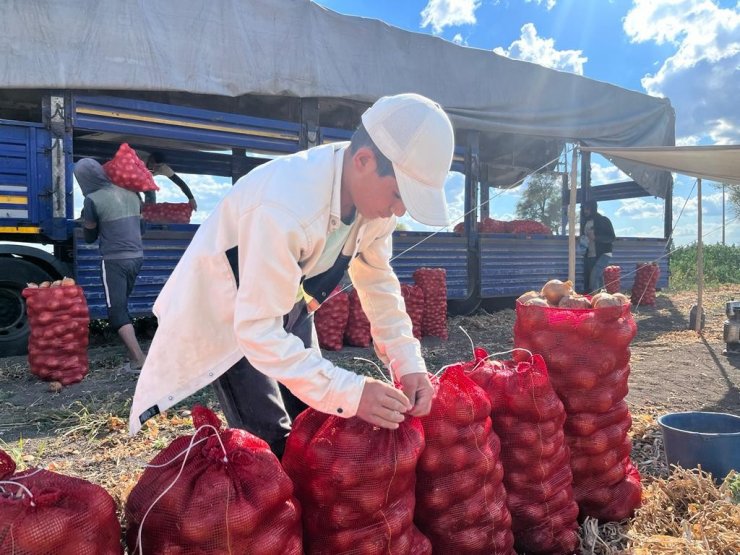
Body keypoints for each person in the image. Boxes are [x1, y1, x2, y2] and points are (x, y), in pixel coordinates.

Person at [128, 93, 454, 457]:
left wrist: (408, 364)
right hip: (231, 311)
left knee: (313, 418)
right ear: (363, 160)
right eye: (398, 194)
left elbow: (378, 281)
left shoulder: (374, 209)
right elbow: (256, 329)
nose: (399, 209)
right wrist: (352, 392)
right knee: (269, 434)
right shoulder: (284, 205)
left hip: (291, 298)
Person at [74, 158, 147, 371]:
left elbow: (89, 236)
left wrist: (86, 221)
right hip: (137, 257)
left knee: (116, 311)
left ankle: (138, 359)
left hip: (114, 260)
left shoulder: (92, 200)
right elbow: (142, 228)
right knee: (122, 305)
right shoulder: (132, 193)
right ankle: (136, 354)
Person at [580, 199, 615, 293]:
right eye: (584, 209)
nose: (585, 211)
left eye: (587, 209)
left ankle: (594, 299)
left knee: (594, 276)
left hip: (603, 253)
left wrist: (596, 237)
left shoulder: (604, 220)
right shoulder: (585, 222)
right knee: (594, 278)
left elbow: (611, 237)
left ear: (593, 208)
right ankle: (600, 297)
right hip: (589, 254)